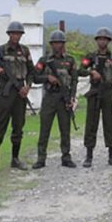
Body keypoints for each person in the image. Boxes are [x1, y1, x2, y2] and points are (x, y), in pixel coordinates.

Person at [0, 21, 35, 172]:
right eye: (13, 33)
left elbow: (31, 71)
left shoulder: (25, 51)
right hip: (5, 93)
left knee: (18, 127)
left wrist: (27, 87)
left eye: (18, 34)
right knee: (0, 126)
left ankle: (15, 159)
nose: (16, 36)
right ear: (9, 34)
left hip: (20, 93)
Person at [33, 30, 78, 169]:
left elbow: (75, 80)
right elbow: (34, 78)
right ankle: (41, 158)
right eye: (54, 43)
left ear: (63, 44)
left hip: (63, 98)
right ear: (51, 44)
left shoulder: (70, 60)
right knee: (44, 129)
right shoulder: (44, 60)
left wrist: (72, 97)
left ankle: (66, 157)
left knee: (65, 130)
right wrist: (48, 78)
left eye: (60, 43)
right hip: (49, 98)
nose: (57, 45)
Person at [78, 27, 112, 167]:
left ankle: (111, 155)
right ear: (97, 41)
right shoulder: (91, 56)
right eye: (100, 39)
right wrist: (91, 72)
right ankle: (89, 155)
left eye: (105, 39)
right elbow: (80, 70)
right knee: (91, 123)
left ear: (108, 41)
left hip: (109, 92)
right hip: (95, 91)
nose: (102, 41)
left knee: (110, 123)